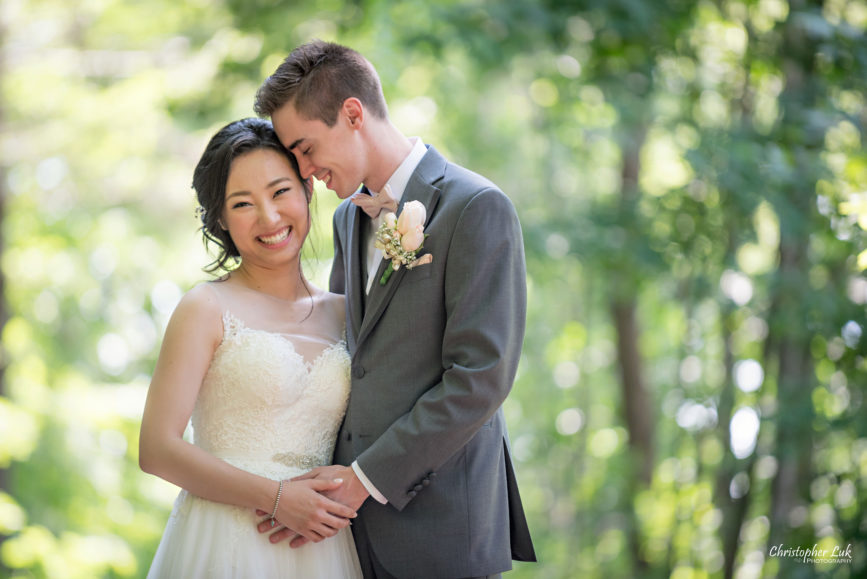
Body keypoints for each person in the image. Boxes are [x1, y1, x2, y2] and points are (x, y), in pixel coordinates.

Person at [253, 40, 536, 578]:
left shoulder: (475, 207)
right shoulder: (346, 220)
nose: (306, 171)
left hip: (446, 529)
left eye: (307, 148)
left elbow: (480, 377)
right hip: (350, 535)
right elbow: (347, 361)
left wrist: (365, 479)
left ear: (352, 114)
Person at [139, 117, 363, 578]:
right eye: (243, 203)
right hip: (226, 539)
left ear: (307, 188)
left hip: (321, 545)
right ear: (221, 218)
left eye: (280, 191)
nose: (269, 217)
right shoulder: (206, 307)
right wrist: (277, 499)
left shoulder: (347, 313)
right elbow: (156, 449)